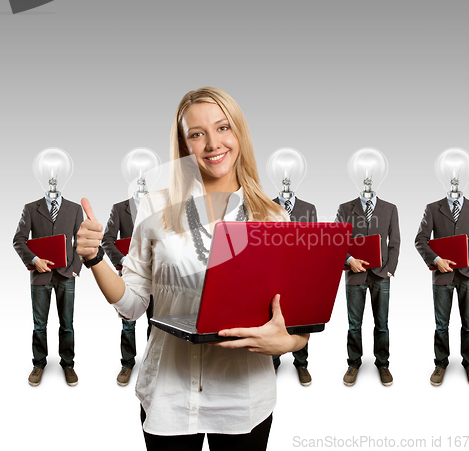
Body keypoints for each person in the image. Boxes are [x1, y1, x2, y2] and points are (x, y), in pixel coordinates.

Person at [76, 87, 309, 450]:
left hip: (243, 399)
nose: (212, 143)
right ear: (184, 145)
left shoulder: (273, 217)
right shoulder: (155, 207)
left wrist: (290, 342)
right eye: (196, 134)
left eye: (223, 128)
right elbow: (132, 304)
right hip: (169, 396)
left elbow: (294, 321)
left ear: (239, 133)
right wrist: (93, 258)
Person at [415, 194, 469, 386]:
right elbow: (420, 240)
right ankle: (440, 363)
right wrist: (436, 260)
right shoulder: (432, 208)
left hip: (468, 274)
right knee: (441, 324)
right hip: (442, 275)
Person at [13, 194, 83, 386]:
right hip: (40, 275)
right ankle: (39, 363)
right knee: (39, 325)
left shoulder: (75, 208)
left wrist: (75, 269)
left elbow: (80, 242)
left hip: (66, 274)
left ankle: (68, 363)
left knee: (67, 323)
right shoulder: (30, 208)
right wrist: (35, 260)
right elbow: (19, 240)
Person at [335, 195, 400, 386]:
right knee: (354, 324)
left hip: (381, 275)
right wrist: (348, 260)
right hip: (355, 275)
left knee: (382, 323)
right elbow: (336, 239)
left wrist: (389, 269)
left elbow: (394, 242)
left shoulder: (390, 208)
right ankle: (354, 363)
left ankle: (382, 364)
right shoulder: (345, 208)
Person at [102, 197, 154, 386]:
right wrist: (125, 262)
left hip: (155, 275)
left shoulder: (160, 204)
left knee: (154, 322)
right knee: (128, 323)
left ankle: (152, 363)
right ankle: (127, 363)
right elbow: (107, 240)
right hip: (129, 275)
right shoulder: (119, 208)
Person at [272, 195, 317, 386]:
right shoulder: (266, 205)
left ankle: (301, 363)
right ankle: (272, 361)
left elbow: (314, 241)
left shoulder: (309, 208)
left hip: (301, 271)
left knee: (301, 317)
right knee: (273, 314)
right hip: (275, 269)